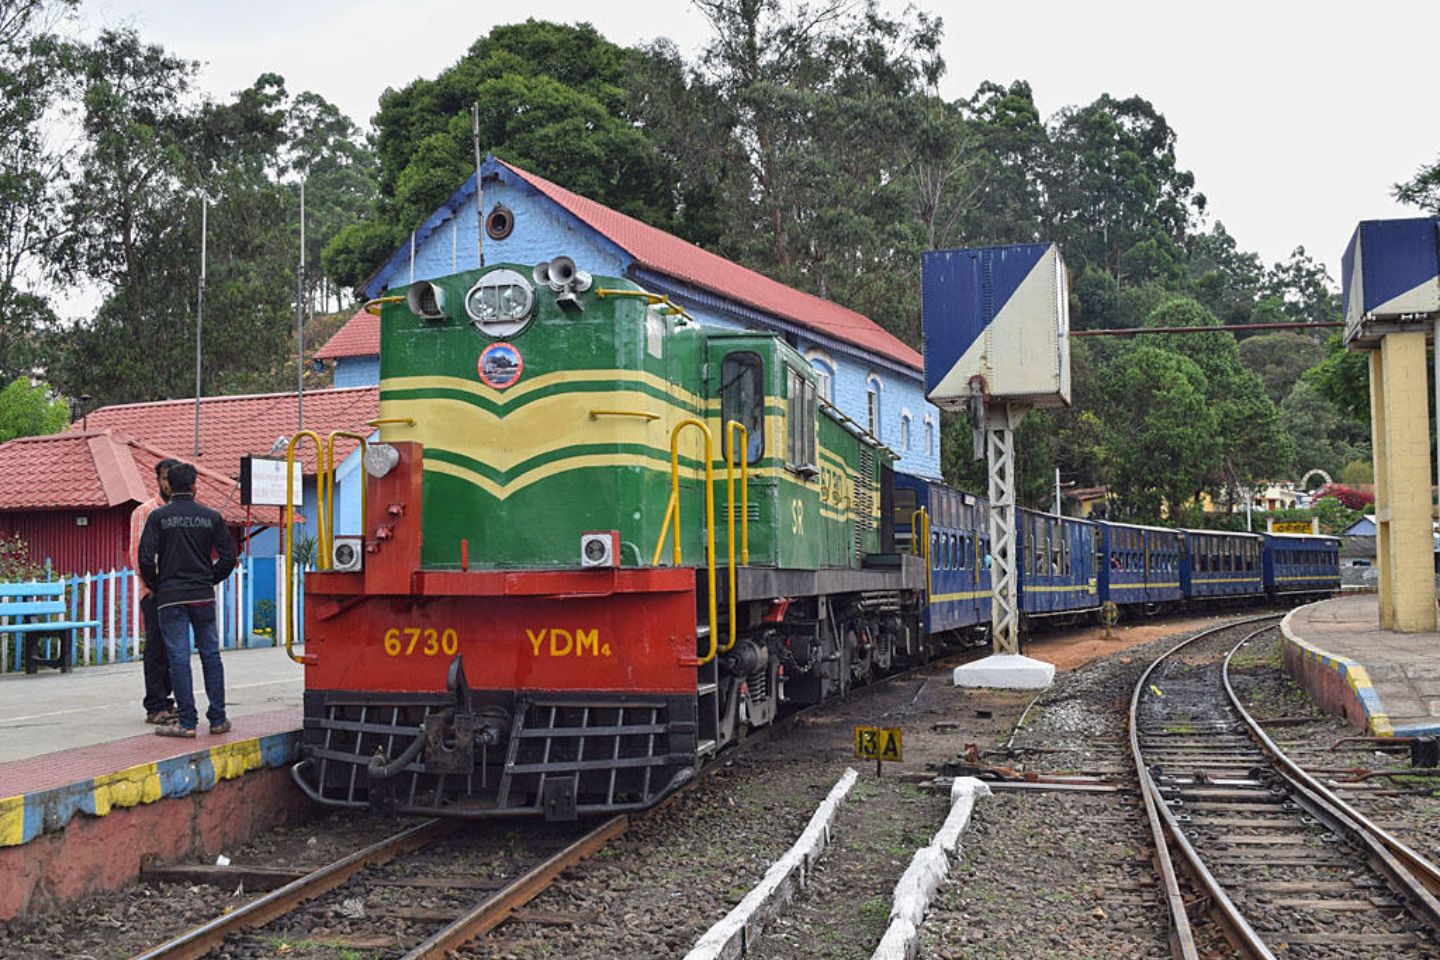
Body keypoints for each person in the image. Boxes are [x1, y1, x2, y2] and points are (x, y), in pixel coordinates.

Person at [138, 462, 237, 738]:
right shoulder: (211, 517)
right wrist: (210, 578)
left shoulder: (158, 518)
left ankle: (187, 722)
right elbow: (229, 557)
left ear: (170, 484)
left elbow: (145, 558)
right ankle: (218, 719)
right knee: (210, 655)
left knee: (178, 657)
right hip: (202, 595)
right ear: (194, 486)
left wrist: (159, 585)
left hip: (171, 598)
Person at [130, 458, 180, 724]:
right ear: (157, 480)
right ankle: (155, 704)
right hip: (154, 591)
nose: (168, 483)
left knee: (175, 649)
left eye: (172, 478)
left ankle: (168, 700)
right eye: (164, 478)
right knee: (157, 649)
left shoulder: (183, 511)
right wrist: (151, 588)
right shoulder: (146, 512)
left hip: (178, 591)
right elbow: (138, 556)